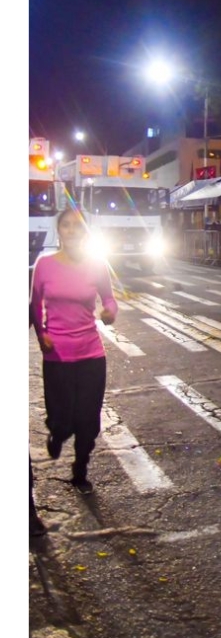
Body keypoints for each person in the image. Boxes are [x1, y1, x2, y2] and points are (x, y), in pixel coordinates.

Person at [30, 207, 119, 493]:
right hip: (57, 355)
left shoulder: (97, 265)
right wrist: (42, 334)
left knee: (88, 420)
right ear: (60, 230)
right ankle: (57, 433)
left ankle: (80, 469)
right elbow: (35, 304)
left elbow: (110, 299)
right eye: (66, 225)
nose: (71, 230)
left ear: (84, 231)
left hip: (91, 353)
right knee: (62, 418)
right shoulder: (44, 265)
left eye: (77, 226)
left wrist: (109, 312)